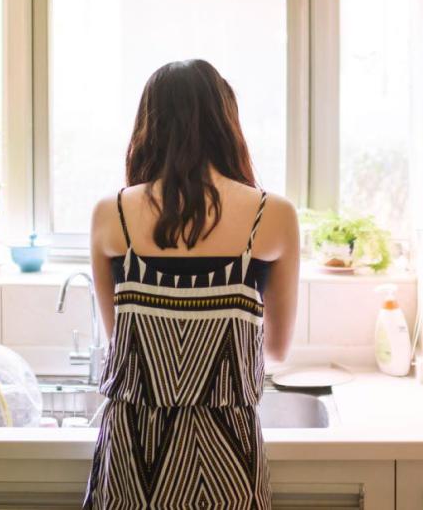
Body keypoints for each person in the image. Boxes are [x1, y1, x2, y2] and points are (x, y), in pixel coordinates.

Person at [83, 59, 301, 509]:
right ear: (227, 124)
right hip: (228, 459)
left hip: (133, 454)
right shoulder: (273, 216)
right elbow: (276, 350)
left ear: (149, 127)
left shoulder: (112, 215)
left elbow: (117, 339)